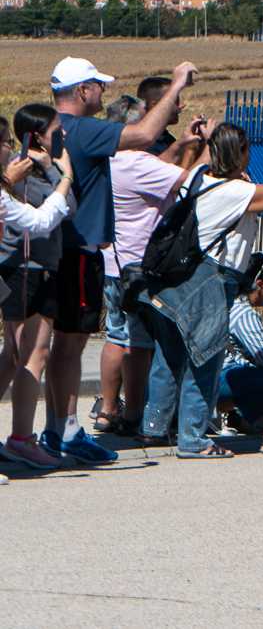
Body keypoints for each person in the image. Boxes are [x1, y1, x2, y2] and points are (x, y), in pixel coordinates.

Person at [45, 56, 194, 466]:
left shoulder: (53, 128)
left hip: (63, 246)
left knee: (64, 345)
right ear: (81, 92)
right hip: (82, 249)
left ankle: (58, 426)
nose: (103, 92)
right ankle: (67, 429)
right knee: (70, 346)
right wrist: (177, 82)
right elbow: (146, 134)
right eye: (97, 85)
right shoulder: (86, 129)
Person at [139, 118, 263, 459]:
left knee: (169, 356)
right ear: (242, 154)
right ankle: (193, 440)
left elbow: (206, 162)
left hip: (176, 281)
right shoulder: (237, 193)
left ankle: (153, 428)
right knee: (204, 360)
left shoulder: (198, 178)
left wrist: (209, 138)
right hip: (211, 281)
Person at [103, 95, 204, 438]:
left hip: (113, 263)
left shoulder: (112, 158)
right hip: (139, 265)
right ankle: (138, 415)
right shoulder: (136, 163)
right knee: (146, 343)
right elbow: (189, 183)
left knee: (119, 337)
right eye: (147, 119)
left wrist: (186, 145)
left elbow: (162, 166)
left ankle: (110, 409)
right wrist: (206, 151)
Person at [0, 113, 75, 477]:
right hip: (24, 269)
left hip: (40, 266)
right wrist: (60, 175)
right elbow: (41, 219)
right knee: (28, 354)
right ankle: (21, 439)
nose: (62, 137)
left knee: (17, 355)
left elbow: (67, 209)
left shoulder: (31, 169)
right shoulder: (19, 170)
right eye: (55, 132)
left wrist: (56, 172)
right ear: (35, 135)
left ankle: (20, 438)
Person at [219, 257, 263, 436]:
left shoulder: (230, 305)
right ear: (259, 283)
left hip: (214, 375)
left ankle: (239, 417)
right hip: (223, 379)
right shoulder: (245, 315)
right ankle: (259, 422)